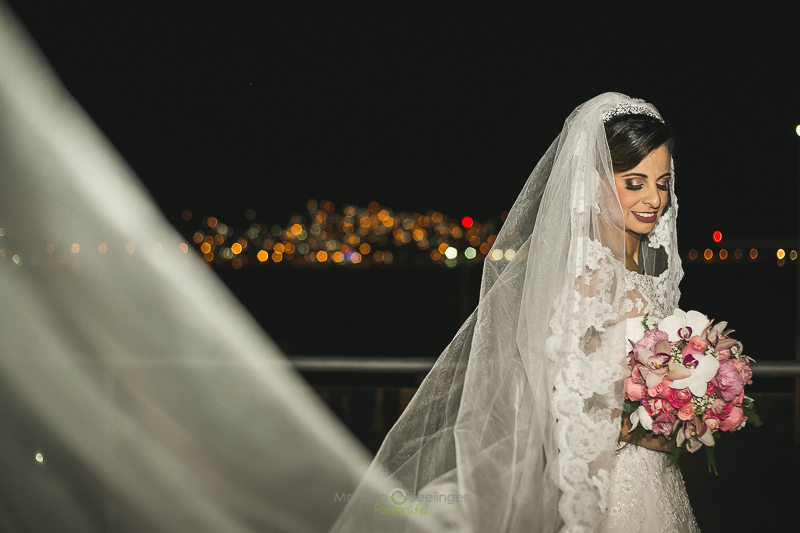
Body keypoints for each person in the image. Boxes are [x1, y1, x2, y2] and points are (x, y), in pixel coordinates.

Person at [332, 93, 698, 532]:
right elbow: (567, 397)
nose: (653, 199)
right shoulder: (593, 278)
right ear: (594, 182)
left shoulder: (639, 267)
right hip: (614, 484)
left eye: (662, 182)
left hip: (656, 474)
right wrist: (648, 430)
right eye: (634, 182)